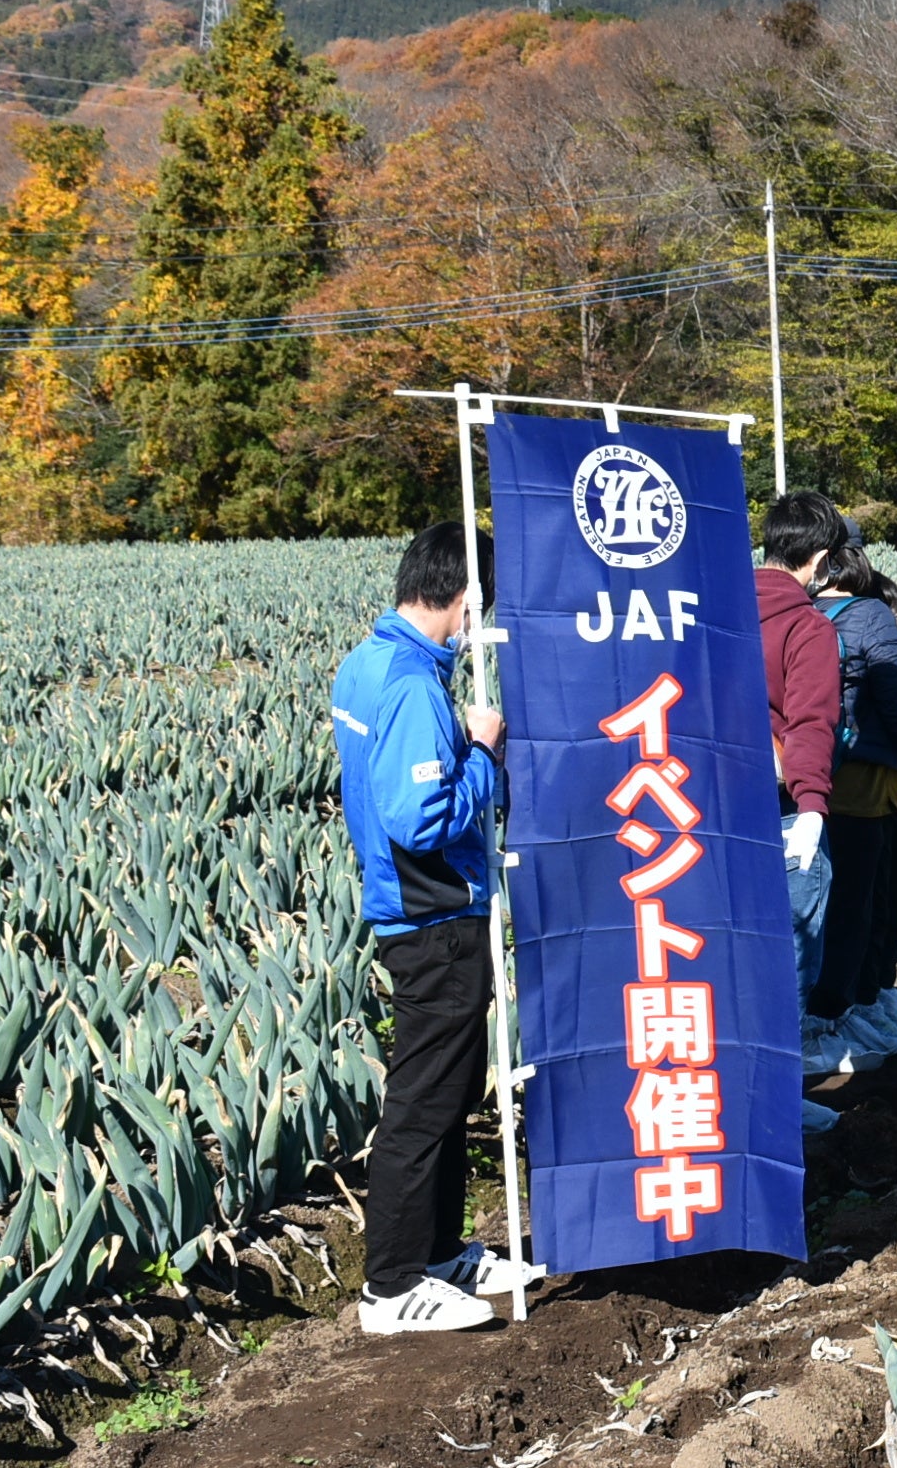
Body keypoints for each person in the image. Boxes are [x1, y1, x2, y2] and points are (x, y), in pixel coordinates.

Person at [332, 522, 522, 1334]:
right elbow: (418, 817)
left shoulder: (367, 659)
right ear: (466, 596)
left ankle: (441, 1253)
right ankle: (393, 1284)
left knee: (445, 1090)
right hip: (432, 914)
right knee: (422, 1097)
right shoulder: (411, 681)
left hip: (416, 909)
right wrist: (482, 755)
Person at [808, 537, 897, 1061]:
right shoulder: (868, 613)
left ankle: (856, 1007)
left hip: (825, 776)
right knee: (866, 905)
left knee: (844, 905)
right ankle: (852, 1009)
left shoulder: (801, 612)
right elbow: (896, 696)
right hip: (871, 781)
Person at [755, 492, 848, 1125]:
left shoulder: (710, 610)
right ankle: (777, 1102)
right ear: (818, 557)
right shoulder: (806, 625)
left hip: (701, 809)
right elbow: (813, 720)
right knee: (786, 952)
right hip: (781, 808)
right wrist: (812, 803)